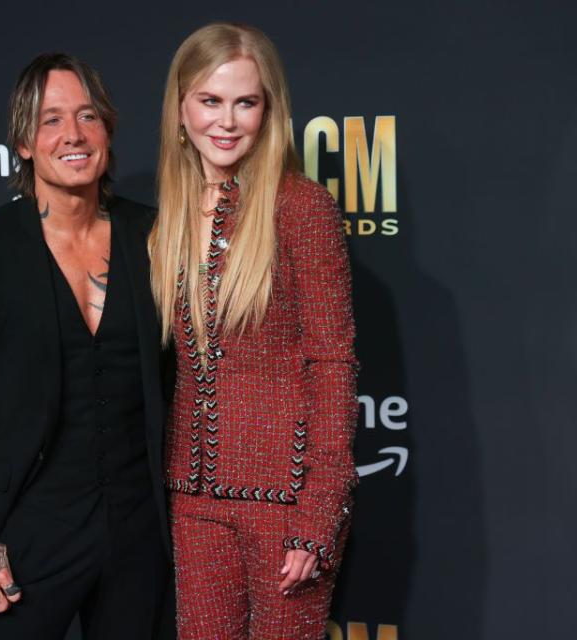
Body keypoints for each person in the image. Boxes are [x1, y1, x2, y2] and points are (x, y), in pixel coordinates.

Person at [0, 52, 172, 640]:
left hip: (141, 528)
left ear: (107, 130)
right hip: (26, 534)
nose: (73, 135)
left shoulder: (155, 233)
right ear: (24, 142)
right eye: (51, 119)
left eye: (87, 116)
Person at [148, 23, 358, 640]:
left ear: (270, 110)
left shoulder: (301, 207)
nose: (227, 121)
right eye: (210, 101)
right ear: (181, 107)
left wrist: (321, 512)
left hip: (287, 498)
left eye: (247, 101)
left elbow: (334, 364)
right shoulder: (169, 217)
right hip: (193, 499)